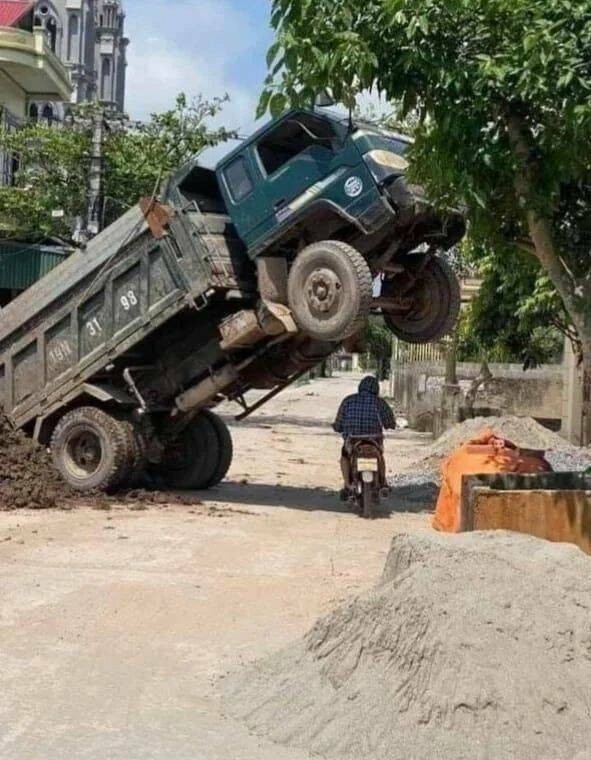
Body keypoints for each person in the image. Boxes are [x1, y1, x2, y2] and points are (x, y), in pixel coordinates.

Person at [333, 375, 396, 494]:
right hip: (374, 440)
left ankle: (347, 484)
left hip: (353, 440)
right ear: (376, 389)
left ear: (360, 387)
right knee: (379, 456)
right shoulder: (380, 403)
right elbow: (390, 423)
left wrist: (337, 427)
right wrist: (390, 425)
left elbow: (339, 422)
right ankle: (383, 482)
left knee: (345, 456)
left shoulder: (348, 400)